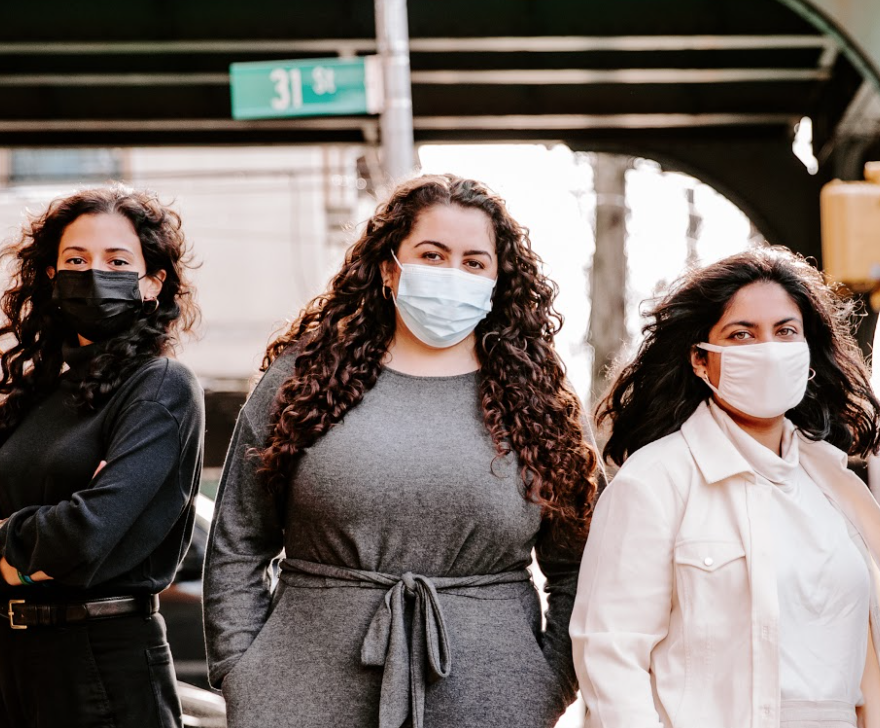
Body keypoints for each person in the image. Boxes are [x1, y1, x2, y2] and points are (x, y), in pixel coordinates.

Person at [203, 174, 599, 728]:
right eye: (432, 255)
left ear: (496, 281)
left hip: (494, 697)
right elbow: (239, 541)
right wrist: (241, 669)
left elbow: (579, 567)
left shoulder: (540, 401)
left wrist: (549, 683)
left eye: (474, 262)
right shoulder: (303, 377)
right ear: (390, 268)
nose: (452, 274)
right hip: (298, 692)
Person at [572, 248, 880, 728]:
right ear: (700, 360)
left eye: (785, 332)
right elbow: (611, 659)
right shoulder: (654, 482)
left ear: (808, 351)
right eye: (741, 334)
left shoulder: (836, 487)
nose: (767, 349)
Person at [0, 186, 205, 728]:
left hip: (102, 657)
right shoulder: (36, 396)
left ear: (152, 282)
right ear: (52, 278)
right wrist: (35, 557)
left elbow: (85, 536)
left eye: (117, 260)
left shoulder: (160, 389)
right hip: (8, 659)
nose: (94, 272)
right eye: (76, 260)